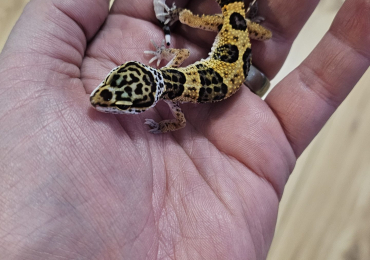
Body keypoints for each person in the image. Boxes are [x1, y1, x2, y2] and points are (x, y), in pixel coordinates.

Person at [0, 0, 368, 259]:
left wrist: (162, 126)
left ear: (143, 92)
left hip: (231, 56)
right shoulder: (172, 79)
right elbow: (176, 63)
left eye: (117, 99)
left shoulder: (174, 100)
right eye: (113, 93)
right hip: (232, 56)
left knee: (227, 22)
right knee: (234, 23)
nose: (101, 98)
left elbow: (176, 117)